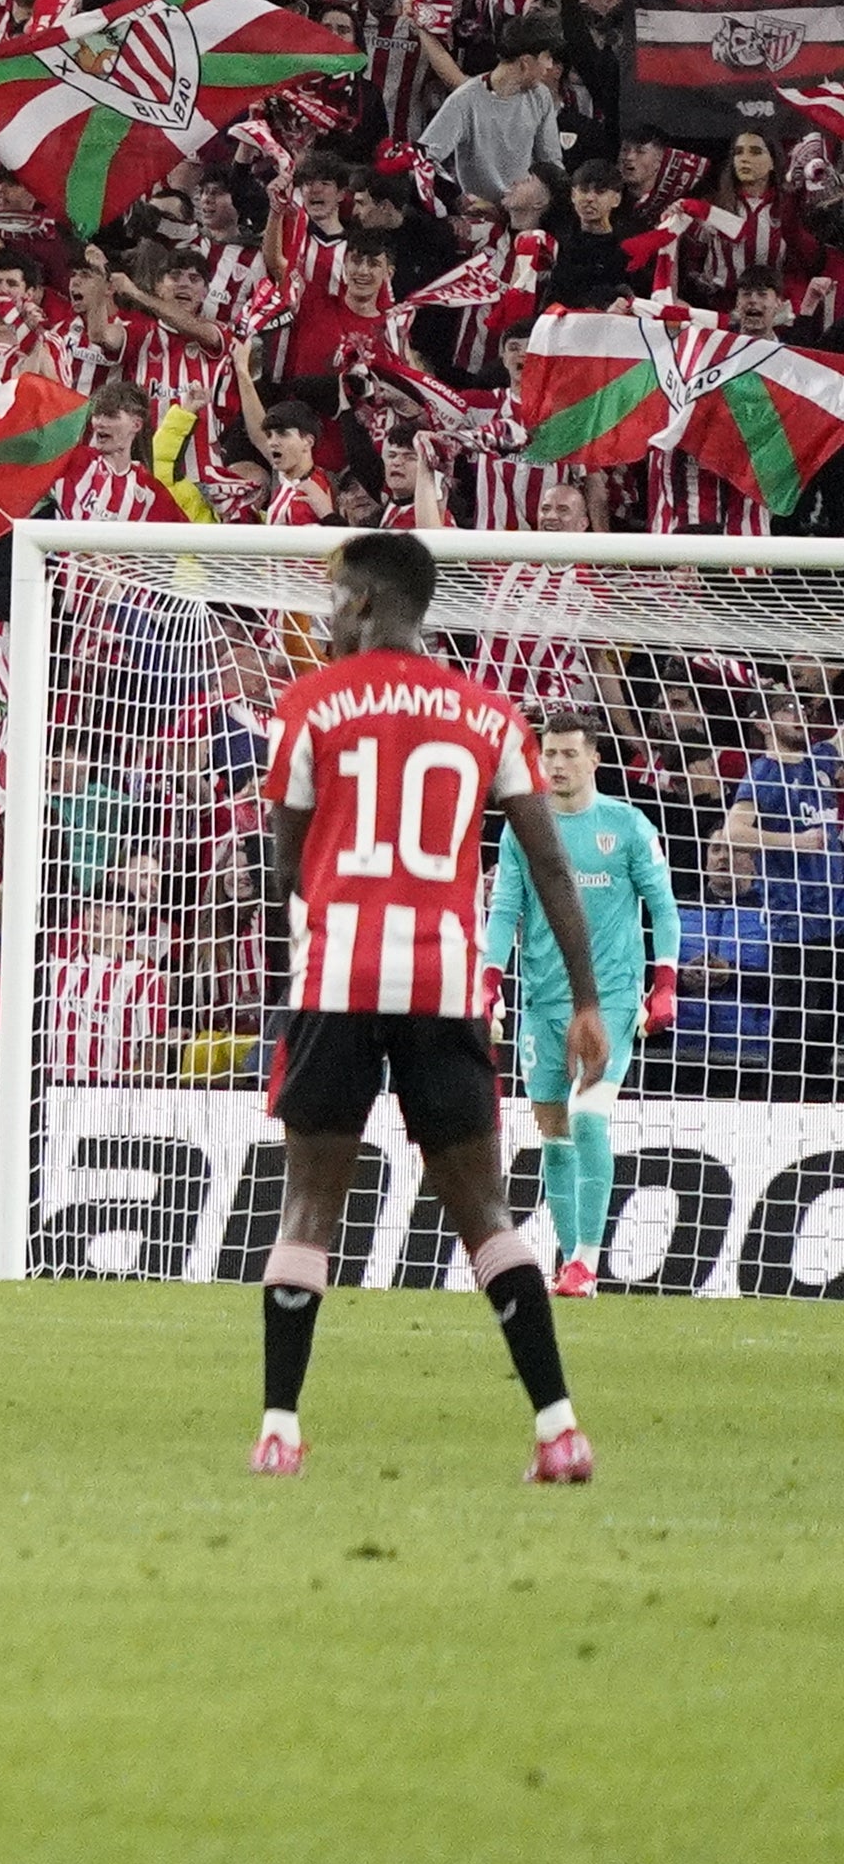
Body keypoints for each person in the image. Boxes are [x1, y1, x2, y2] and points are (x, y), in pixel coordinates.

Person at [242, 529, 610, 1484]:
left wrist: (320, 877)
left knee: (308, 1207)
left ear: (364, 603)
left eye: (333, 601)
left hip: (338, 981)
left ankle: (280, 1430)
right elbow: (550, 866)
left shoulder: (311, 704)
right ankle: (559, 1428)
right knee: (486, 1214)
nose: (325, 619)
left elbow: (281, 863)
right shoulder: (488, 714)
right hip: (447, 986)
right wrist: (583, 997)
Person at [488, 727, 683, 1299]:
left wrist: (664, 984)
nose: (557, 764)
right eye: (548, 753)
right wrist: (488, 982)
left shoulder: (627, 827)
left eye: (570, 753)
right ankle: (573, 1266)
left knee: (589, 1116)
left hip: (612, 999)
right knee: (553, 1131)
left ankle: (584, 1261)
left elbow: (663, 907)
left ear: (594, 759)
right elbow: (504, 912)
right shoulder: (522, 828)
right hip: (543, 1001)